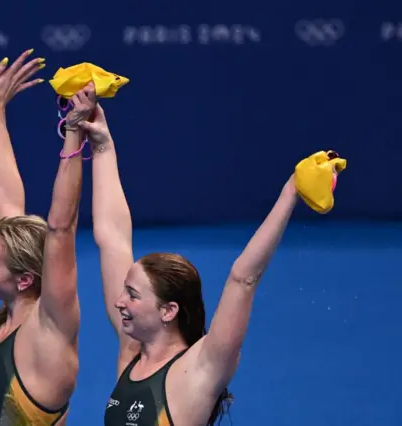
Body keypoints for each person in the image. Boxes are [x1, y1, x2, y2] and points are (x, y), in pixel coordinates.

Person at [79, 105, 299, 426]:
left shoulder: (201, 369)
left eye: (132, 295)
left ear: (168, 311)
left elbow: (243, 278)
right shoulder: (132, 352)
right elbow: (112, 238)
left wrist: (290, 192)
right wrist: (102, 145)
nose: (118, 302)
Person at [0, 50, 97, 425]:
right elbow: (7, 199)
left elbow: (61, 227)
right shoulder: (17, 303)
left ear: (25, 279)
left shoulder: (49, 328)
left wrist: (74, 130)